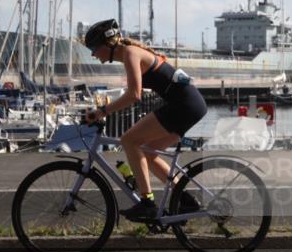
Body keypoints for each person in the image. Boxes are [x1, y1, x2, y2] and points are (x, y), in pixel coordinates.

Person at [82, 19, 207, 221]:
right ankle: (184, 199)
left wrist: (101, 112)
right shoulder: (130, 54)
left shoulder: (131, 54)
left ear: (108, 45)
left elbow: (134, 95)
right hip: (190, 105)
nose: (93, 54)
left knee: (129, 140)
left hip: (184, 105)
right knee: (147, 152)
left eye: (94, 49)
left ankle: (147, 203)